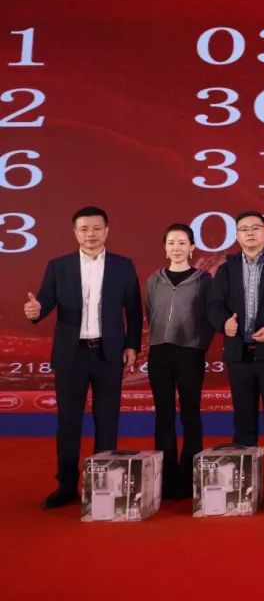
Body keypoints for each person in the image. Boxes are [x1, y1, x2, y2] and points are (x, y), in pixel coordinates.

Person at [24, 206, 142, 509]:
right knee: (68, 423)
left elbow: (134, 310)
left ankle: (103, 486)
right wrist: (35, 311)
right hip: (71, 355)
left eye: (97, 228)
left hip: (108, 353)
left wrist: (132, 345)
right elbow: (43, 303)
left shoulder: (123, 266)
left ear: (107, 230)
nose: (91, 234)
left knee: (107, 421)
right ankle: (66, 486)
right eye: (84, 229)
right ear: (75, 232)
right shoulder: (59, 266)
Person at [206, 211, 264, 504]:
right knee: (243, 420)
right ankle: (245, 479)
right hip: (239, 354)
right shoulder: (226, 269)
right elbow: (213, 305)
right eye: (243, 229)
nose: (249, 233)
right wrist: (224, 324)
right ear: (236, 235)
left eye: (255, 228)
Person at [145, 222, 215, 499]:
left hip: (190, 352)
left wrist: (198, 345)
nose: (176, 248)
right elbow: (150, 311)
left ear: (192, 247)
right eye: (171, 243)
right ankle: (166, 475)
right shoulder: (154, 280)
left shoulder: (203, 280)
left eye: (182, 243)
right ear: (165, 248)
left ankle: (189, 474)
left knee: (190, 413)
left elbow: (209, 317)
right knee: (163, 415)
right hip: (159, 353)